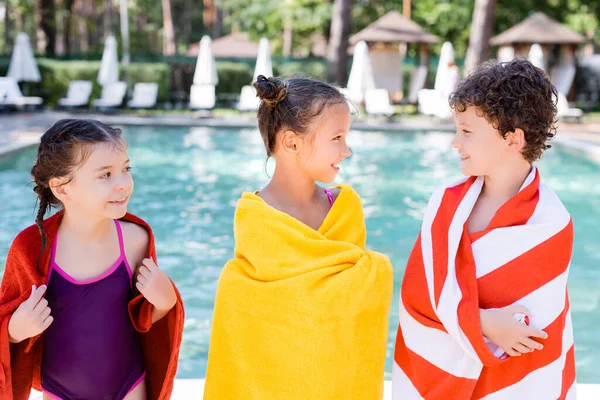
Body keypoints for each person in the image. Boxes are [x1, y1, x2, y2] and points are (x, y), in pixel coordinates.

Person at [393, 59, 576, 399]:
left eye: (467, 131)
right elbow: (417, 297)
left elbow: (535, 332)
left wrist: (474, 322)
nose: (455, 142)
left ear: (513, 139)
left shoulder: (550, 224)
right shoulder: (444, 204)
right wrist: (481, 323)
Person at [204, 75, 394, 399]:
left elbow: (350, 308)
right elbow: (245, 335)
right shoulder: (257, 221)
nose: (346, 150)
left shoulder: (343, 210)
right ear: (291, 142)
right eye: (337, 137)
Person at [0, 119, 185, 400]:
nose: (123, 184)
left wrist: (166, 303)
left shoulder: (136, 239)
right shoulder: (30, 248)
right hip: (59, 392)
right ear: (62, 188)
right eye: (105, 175)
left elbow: (144, 320)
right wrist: (14, 330)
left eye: (126, 169)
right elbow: (6, 318)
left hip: (130, 387)